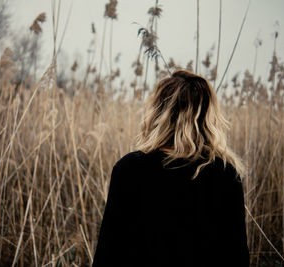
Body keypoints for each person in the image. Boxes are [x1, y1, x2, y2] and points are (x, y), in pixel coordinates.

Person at [92, 69, 250, 267]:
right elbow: (236, 255)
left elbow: (109, 252)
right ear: (207, 116)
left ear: (158, 112)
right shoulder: (225, 173)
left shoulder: (129, 169)